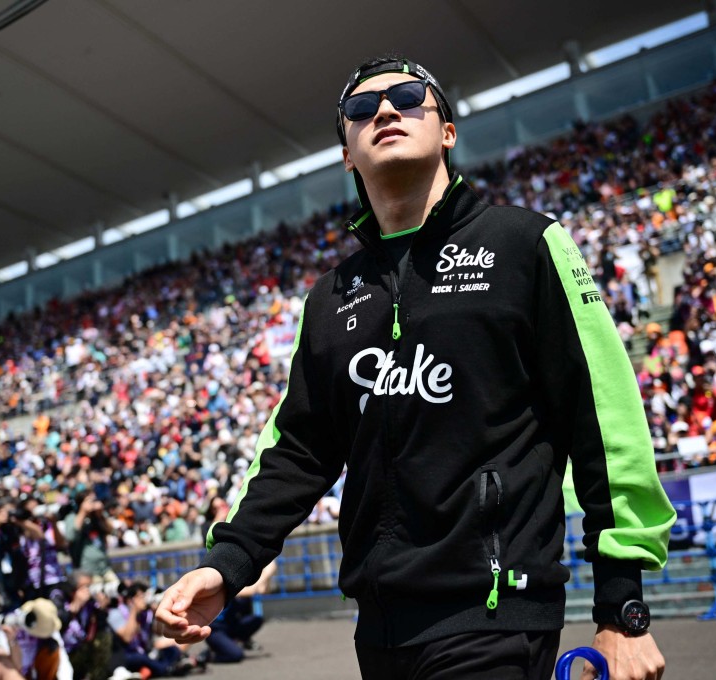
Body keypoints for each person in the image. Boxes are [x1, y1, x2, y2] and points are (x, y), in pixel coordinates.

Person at [149, 55, 677, 680]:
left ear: (447, 131)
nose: (385, 111)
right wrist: (228, 563)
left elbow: (603, 420)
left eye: (406, 96)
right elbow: (298, 448)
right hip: (379, 630)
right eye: (361, 108)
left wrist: (622, 607)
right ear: (347, 156)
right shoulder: (330, 297)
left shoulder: (525, 244)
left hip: (494, 617)